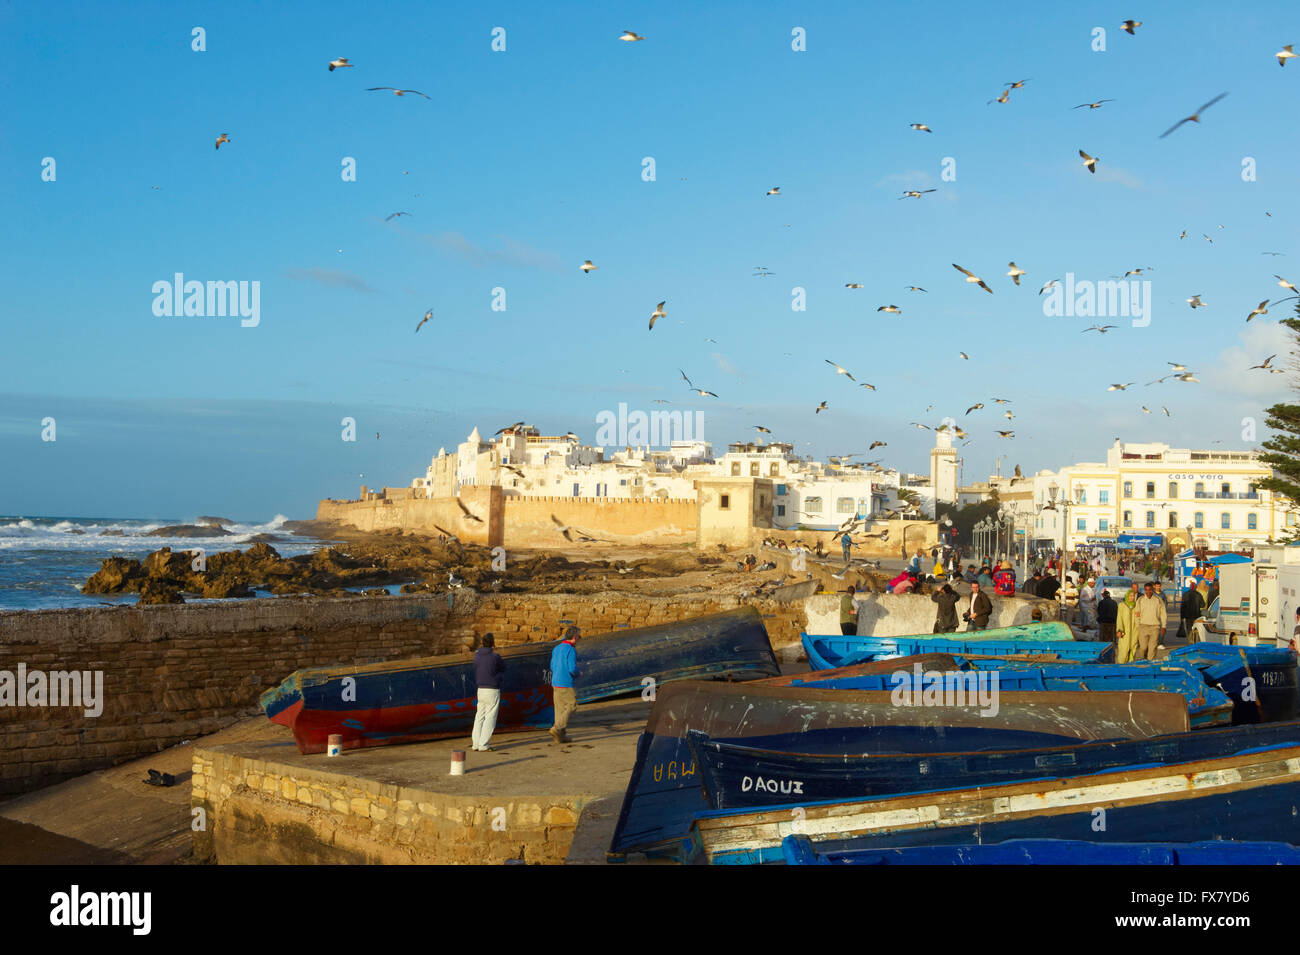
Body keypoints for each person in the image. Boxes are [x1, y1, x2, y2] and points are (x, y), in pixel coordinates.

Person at [471, 633, 506, 752]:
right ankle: (483, 744)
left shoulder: (476, 656)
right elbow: (503, 667)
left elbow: (475, 668)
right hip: (492, 689)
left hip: (480, 689)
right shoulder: (495, 657)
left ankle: (475, 743)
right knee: (490, 717)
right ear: (492, 643)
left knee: (479, 716)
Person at [549, 626, 580, 744]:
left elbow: (551, 666)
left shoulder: (556, 648)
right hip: (565, 682)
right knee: (572, 705)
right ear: (575, 637)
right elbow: (572, 668)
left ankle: (561, 737)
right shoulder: (571, 650)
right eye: (579, 637)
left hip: (555, 681)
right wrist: (578, 673)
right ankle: (556, 728)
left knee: (560, 709)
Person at [1134, 583, 1167, 661]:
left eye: (1150, 590)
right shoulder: (1140, 600)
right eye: (1146, 590)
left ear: (1153, 590)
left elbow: (1163, 613)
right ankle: (1143, 660)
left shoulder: (1158, 600)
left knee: (1152, 648)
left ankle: (1150, 664)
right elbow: (1137, 614)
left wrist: (1164, 626)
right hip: (1143, 626)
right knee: (1143, 648)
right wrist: (1138, 626)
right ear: (1144, 590)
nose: (1148, 592)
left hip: (1155, 627)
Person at [1116, 589, 1138, 663]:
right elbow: (1119, 618)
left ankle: (1130, 669)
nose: (1132, 598)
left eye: (1133, 596)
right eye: (1130, 596)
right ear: (1127, 596)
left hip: (1134, 633)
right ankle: (1121, 670)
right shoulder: (1122, 605)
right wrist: (1119, 630)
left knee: (1133, 651)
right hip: (1124, 634)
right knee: (1123, 652)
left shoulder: (1137, 606)